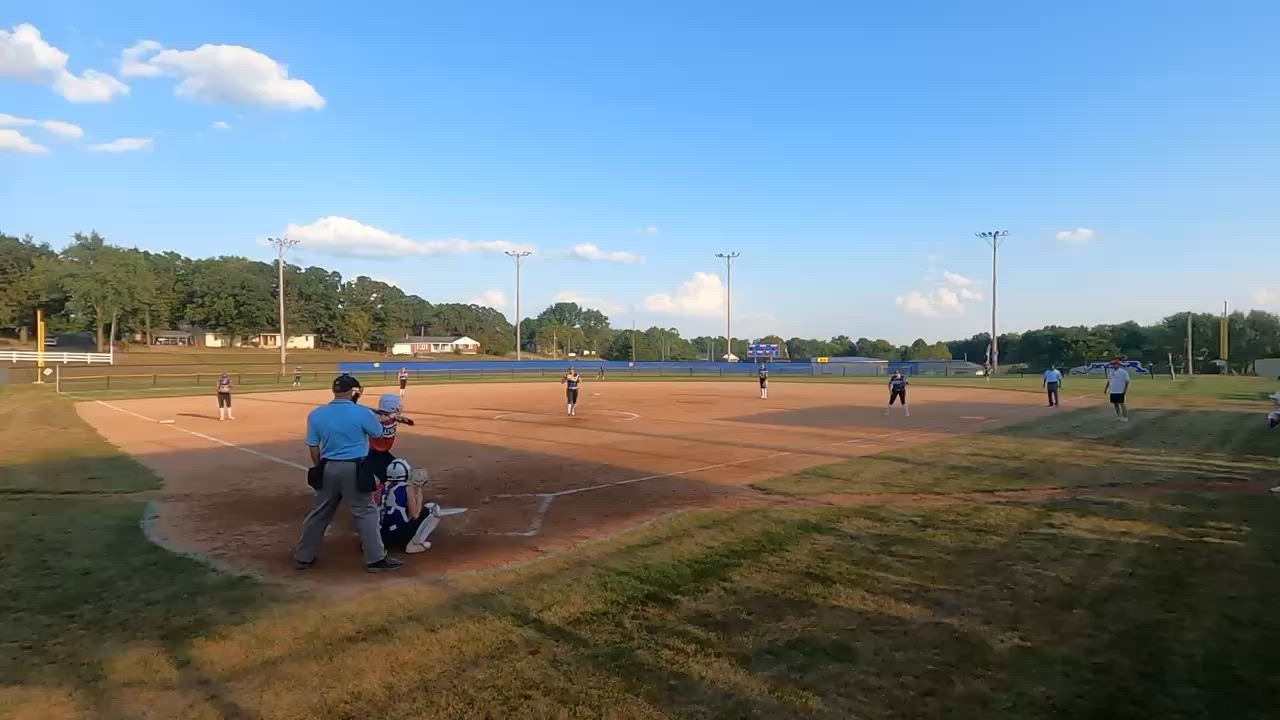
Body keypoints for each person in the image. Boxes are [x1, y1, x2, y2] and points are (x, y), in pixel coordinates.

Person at [293, 375, 403, 572]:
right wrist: (385, 419)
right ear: (353, 392)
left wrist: (321, 467)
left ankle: (303, 556)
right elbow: (379, 436)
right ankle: (375, 559)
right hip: (355, 468)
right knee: (366, 512)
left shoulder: (317, 414)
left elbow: (313, 448)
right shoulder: (362, 413)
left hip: (327, 467)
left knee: (319, 514)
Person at [379, 459, 440, 554]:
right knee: (432, 509)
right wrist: (419, 498)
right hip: (397, 536)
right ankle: (414, 544)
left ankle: (372, 543)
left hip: (381, 536)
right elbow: (415, 515)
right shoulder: (407, 488)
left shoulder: (383, 487)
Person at [367, 393, 415, 486]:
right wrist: (390, 416)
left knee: (398, 471)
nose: (399, 407)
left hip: (382, 453)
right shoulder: (377, 418)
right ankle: (382, 497)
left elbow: (410, 422)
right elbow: (376, 420)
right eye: (397, 405)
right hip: (371, 454)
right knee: (388, 477)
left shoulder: (391, 416)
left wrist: (396, 417)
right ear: (392, 407)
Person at [1106, 358, 1131, 423]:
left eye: (1114, 364)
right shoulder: (1111, 372)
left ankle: (1125, 417)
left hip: (1120, 391)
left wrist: (1125, 390)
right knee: (1115, 404)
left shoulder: (1123, 372)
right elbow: (1109, 381)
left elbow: (1127, 381)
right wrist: (1106, 389)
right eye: (1112, 364)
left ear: (1118, 364)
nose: (1113, 365)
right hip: (1113, 391)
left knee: (1122, 404)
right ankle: (1119, 416)